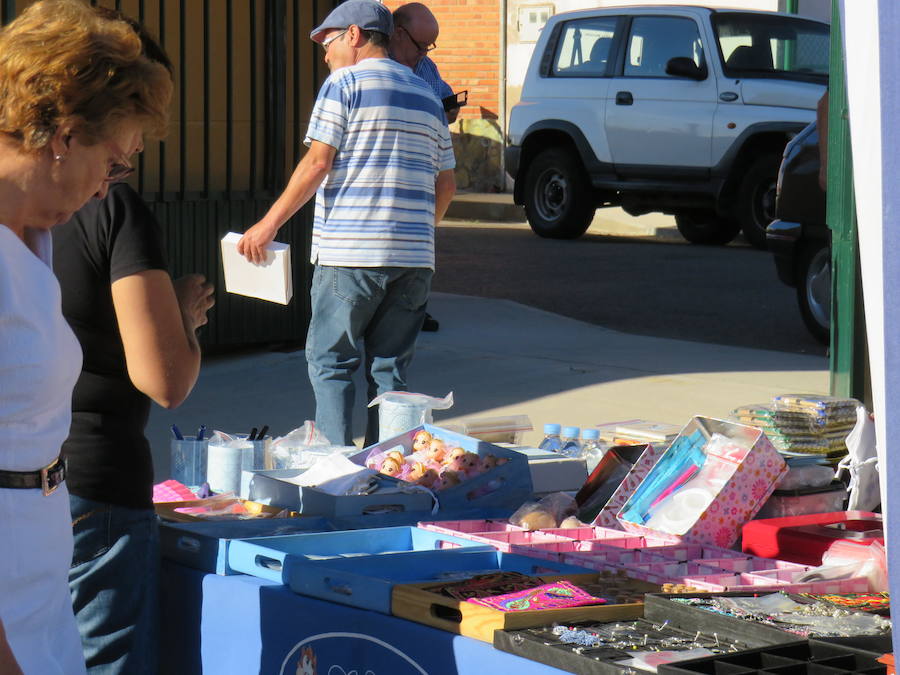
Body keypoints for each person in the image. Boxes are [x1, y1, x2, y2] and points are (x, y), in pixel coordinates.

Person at [0, 0, 173, 672]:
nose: (109, 187)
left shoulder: (34, 237)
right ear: (65, 133)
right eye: (116, 161)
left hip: (38, 567)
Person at [51, 14, 209, 672]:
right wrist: (179, 316)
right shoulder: (112, 207)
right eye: (142, 119)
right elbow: (165, 378)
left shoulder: (31, 208)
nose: (138, 147)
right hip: (95, 482)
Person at [238, 0, 456, 447]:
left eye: (328, 40)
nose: (324, 53)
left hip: (351, 255)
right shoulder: (429, 97)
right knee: (391, 374)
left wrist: (268, 224)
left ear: (354, 35)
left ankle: (337, 471)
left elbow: (318, 163)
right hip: (415, 261)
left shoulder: (345, 84)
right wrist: (418, 231)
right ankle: (388, 472)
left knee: (331, 363)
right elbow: (447, 185)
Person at [390, 2, 459, 333]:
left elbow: (443, 95)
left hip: (424, 167)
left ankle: (415, 307)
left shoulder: (426, 66)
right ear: (398, 34)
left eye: (431, 46)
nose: (425, 53)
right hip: (389, 172)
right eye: (421, 45)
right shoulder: (375, 65)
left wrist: (449, 108)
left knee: (419, 243)